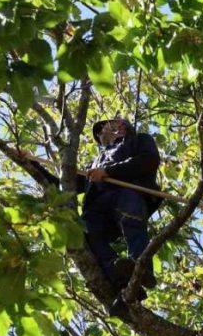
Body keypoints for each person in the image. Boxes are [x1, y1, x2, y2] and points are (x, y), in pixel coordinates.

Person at [34, 117, 162, 302]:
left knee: (131, 222)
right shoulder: (95, 163)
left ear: (120, 126)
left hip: (128, 191)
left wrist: (109, 172)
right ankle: (118, 276)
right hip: (98, 207)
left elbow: (149, 160)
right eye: (99, 130)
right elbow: (65, 183)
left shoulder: (138, 140)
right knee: (85, 233)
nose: (101, 132)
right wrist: (32, 164)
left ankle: (142, 269)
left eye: (104, 127)